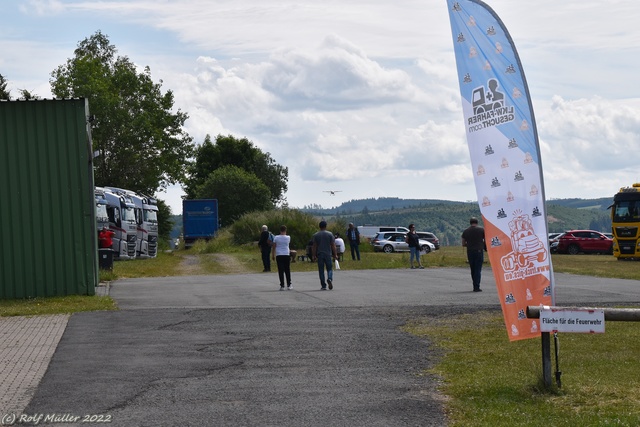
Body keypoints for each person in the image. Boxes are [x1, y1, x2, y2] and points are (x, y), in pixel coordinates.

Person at [312, 220, 338, 290]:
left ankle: (323, 285)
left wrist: (313, 255)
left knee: (321, 270)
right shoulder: (330, 234)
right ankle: (329, 278)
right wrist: (335, 254)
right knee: (329, 268)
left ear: (319, 226)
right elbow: (333, 245)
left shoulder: (316, 235)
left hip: (320, 254)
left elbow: (314, 246)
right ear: (326, 226)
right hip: (328, 254)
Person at [461, 217, 486, 292]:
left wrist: (468, 245)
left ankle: (474, 285)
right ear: (477, 222)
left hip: (470, 251)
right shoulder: (482, 230)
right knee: (478, 269)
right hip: (479, 251)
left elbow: (463, 243)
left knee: (473, 269)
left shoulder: (466, 231)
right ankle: (476, 286)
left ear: (470, 223)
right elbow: (486, 240)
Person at [271, 225, 292, 290]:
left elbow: (274, 246)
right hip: (286, 254)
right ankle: (289, 284)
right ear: (286, 230)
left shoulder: (276, 237)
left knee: (281, 270)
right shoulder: (288, 237)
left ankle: (282, 285)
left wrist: (273, 255)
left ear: (280, 230)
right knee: (287, 270)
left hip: (279, 254)